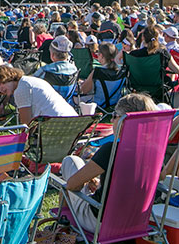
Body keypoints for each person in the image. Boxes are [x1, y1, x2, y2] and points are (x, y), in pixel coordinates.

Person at [61, 93, 156, 232]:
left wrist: (84, 181)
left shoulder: (111, 150)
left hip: (101, 223)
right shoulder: (154, 150)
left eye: (114, 115)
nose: (112, 120)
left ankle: (61, 223)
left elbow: (72, 185)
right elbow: (160, 177)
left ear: (125, 120)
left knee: (71, 161)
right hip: (136, 220)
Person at [0, 64, 77, 125]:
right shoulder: (31, 80)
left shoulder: (21, 89)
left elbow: (26, 125)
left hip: (56, 124)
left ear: (7, 76)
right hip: (74, 120)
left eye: (0, 83)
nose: (0, 89)